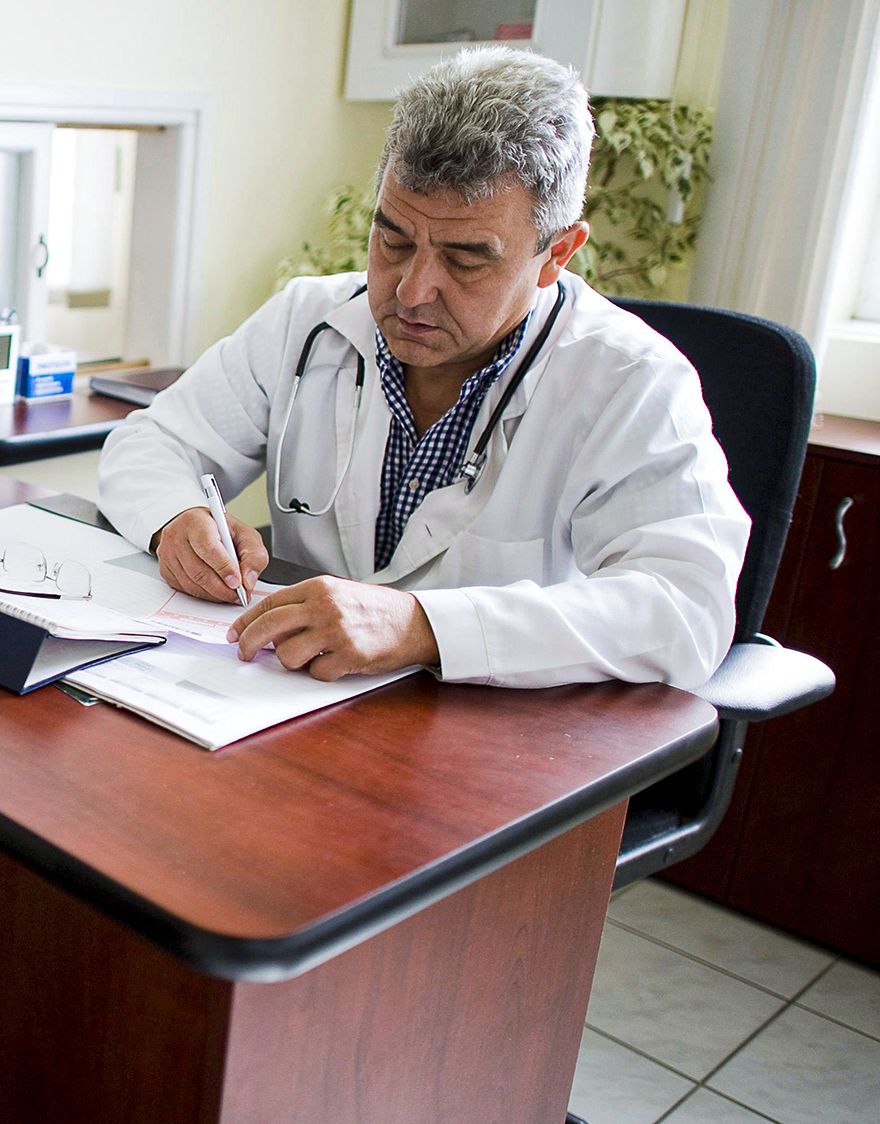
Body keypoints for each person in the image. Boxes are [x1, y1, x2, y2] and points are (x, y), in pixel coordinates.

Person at [99, 47, 747, 689]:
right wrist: (176, 519)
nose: (412, 291)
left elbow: (687, 610)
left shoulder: (631, 383)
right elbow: (151, 443)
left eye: (466, 259)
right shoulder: (310, 320)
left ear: (558, 254)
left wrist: (424, 627)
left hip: (496, 747)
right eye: (394, 239)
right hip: (281, 706)